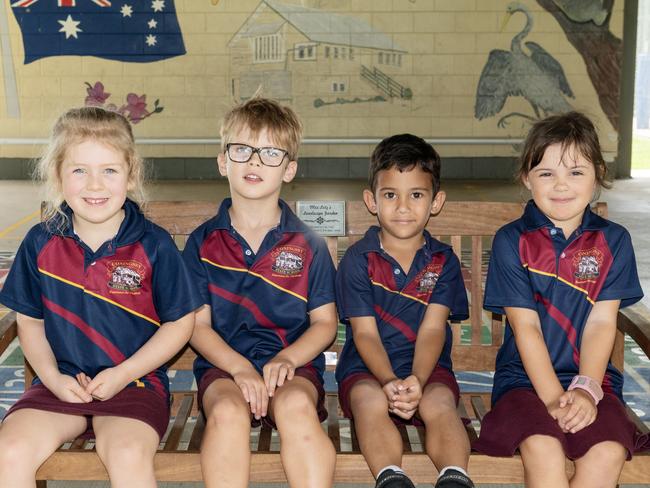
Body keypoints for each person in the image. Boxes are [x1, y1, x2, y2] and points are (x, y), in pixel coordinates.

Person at [0, 106, 200, 488]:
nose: (95, 185)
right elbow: (30, 320)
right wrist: (54, 379)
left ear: (131, 174)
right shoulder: (40, 243)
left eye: (109, 170)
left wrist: (123, 373)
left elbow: (180, 321)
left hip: (135, 385)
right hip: (59, 384)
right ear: (57, 174)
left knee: (126, 454)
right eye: (80, 170)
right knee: (9, 450)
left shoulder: (153, 245)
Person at [473, 112, 649, 487]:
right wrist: (555, 398)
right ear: (527, 177)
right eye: (547, 173)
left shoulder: (613, 241)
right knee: (543, 446)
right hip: (523, 382)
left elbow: (602, 323)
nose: (561, 185)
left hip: (593, 382)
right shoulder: (512, 241)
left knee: (606, 451)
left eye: (575, 172)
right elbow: (527, 328)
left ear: (598, 174)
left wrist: (585, 389)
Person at [182, 97, 338, 488]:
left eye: (270, 153)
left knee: (298, 406)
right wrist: (238, 368)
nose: (254, 162)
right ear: (223, 162)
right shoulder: (202, 242)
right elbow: (198, 327)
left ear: (289, 169)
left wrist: (287, 358)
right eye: (242, 150)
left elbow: (324, 324)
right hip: (224, 365)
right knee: (227, 415)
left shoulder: (309, 244)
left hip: (293, 364)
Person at [335, 134, 475, 488]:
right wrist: (387, 380)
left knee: (440, 403)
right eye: (390, 195)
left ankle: (455, 477)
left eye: (416, 194)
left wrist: (417, 379)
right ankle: (390, 477)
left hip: (427, 369)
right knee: (369, 401)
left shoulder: (443, 261)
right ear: (371, 201)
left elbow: (432, 330)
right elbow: (364, 333)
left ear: (435, 201)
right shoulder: (358, 260)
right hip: (367, 369)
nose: (402, 207)